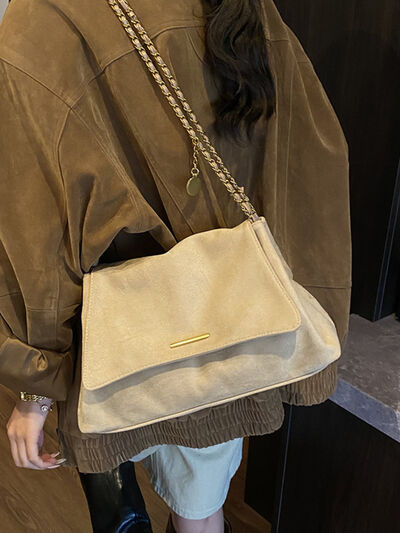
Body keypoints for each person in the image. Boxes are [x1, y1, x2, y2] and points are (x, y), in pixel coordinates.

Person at [0, 1, 352, 532]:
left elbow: (35, 230)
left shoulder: (41, 20)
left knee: (165, 500)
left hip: (122, 343)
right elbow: (311, 154)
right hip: (234, 313)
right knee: (201, 505)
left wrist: (36, 384)